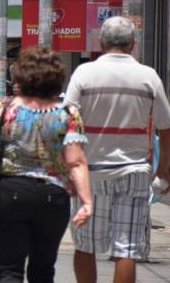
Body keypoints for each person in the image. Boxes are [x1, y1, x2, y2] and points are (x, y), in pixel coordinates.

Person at [0, 47, 92, 282]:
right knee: (43, 270)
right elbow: (76, 161)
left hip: (11, 193)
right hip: (53, 196)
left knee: (10, 270)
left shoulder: (7, 109)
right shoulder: (68, 113)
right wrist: (86, 201)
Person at [66, 16, 170, 283]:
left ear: (101, 42)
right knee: (127, 248)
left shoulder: (84, 74)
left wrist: (66, 170)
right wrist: (164, 170)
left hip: (89, 172)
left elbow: (67, 124)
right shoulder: (148, 77)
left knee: (85, 244)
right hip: (134, 172)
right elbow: (166, 127)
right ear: (133, 44)